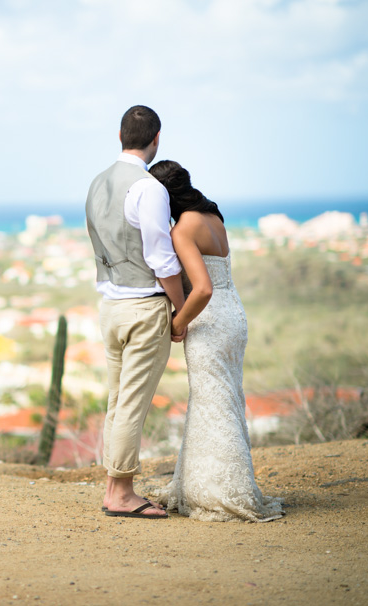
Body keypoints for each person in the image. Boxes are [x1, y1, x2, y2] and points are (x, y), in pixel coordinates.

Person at [148, 159, 284, 522]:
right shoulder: (213, 218)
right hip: (234, 315)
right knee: (224, 398)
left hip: (208, 320)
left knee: (214, 401)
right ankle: (207, 482)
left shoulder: (182, 230)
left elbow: (203, 288)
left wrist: (179, 321)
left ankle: (222, 492)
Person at [85, 106, 186, 519]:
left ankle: (115, 486)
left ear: (121, 135)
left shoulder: (96, 184)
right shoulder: (148, 188)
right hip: (144, 308)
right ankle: (121, 493)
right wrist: (182, 309)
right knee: (132, 404)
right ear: (156, 137)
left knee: (116, 401)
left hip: (109, 307)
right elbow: (162, 260)